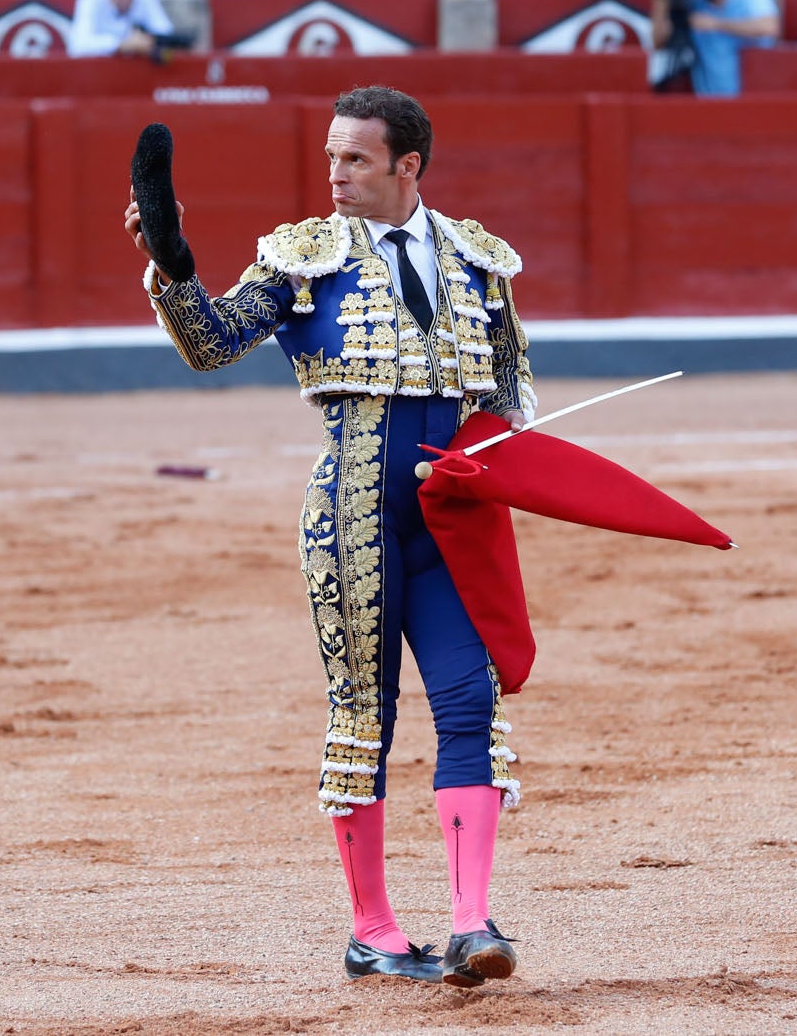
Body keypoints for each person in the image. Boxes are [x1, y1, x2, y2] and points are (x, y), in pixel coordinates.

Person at [124, 84, 535, 989]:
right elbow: (212, 342)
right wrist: (171, 261)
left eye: (355, 158)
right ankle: (373, 930)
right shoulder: (302, 254)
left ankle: (473, 926)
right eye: (330, 156)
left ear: (406, 165)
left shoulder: (477, 260)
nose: (336, 173)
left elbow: (507, 400)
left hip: (451, 521)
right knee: (365, 714)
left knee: (472, 702)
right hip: (351, 515)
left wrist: (502, 455)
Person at [656, 0, 778, 97]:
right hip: (708, 100)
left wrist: (716, 23)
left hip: (753, 95)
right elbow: (659, 41)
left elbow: (770, 27)